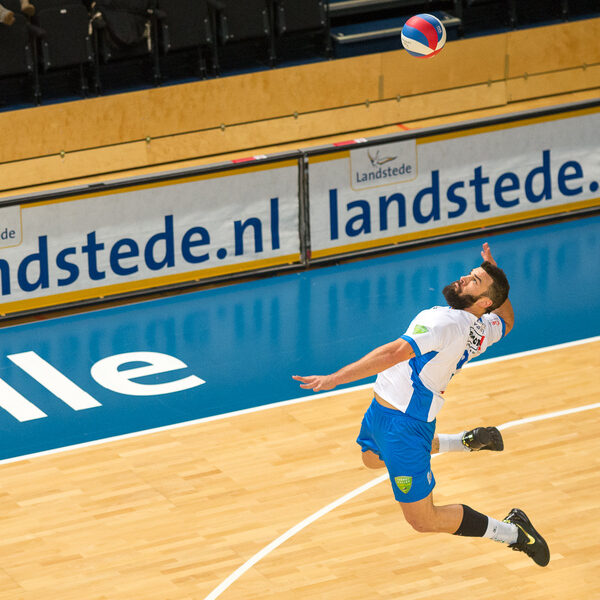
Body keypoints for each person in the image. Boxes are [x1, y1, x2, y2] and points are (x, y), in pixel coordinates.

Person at [293, 242, 550, 567]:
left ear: (484, 301)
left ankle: (514, 533)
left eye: (474, 281)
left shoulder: (444, 323)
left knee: (423, 519)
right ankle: (463, 442)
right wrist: (495, 276)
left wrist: (335, 378)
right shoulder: (479, 329)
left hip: (405, 424)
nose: (463, 278)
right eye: (470, 274)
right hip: (384, 413)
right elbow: (506, 320)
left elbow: (392, 354)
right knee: (371, 459)